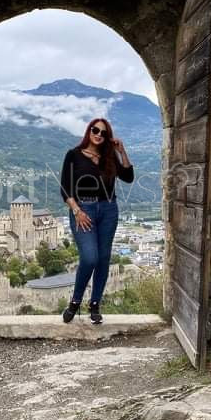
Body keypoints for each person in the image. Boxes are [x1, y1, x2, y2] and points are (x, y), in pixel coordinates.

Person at [59, 118, 134, 325]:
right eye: (95, 130)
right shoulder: (74, 155)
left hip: (109, 210)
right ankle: (75, 301)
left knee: (103, 259)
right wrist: (77, 211)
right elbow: (65, 188)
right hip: (83, 210)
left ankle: (95, 304)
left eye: (103, 132)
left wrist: (121, 151)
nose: (99, 134)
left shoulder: (109, 157)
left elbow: (128, 177)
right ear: (89, 131)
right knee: (90, 257)